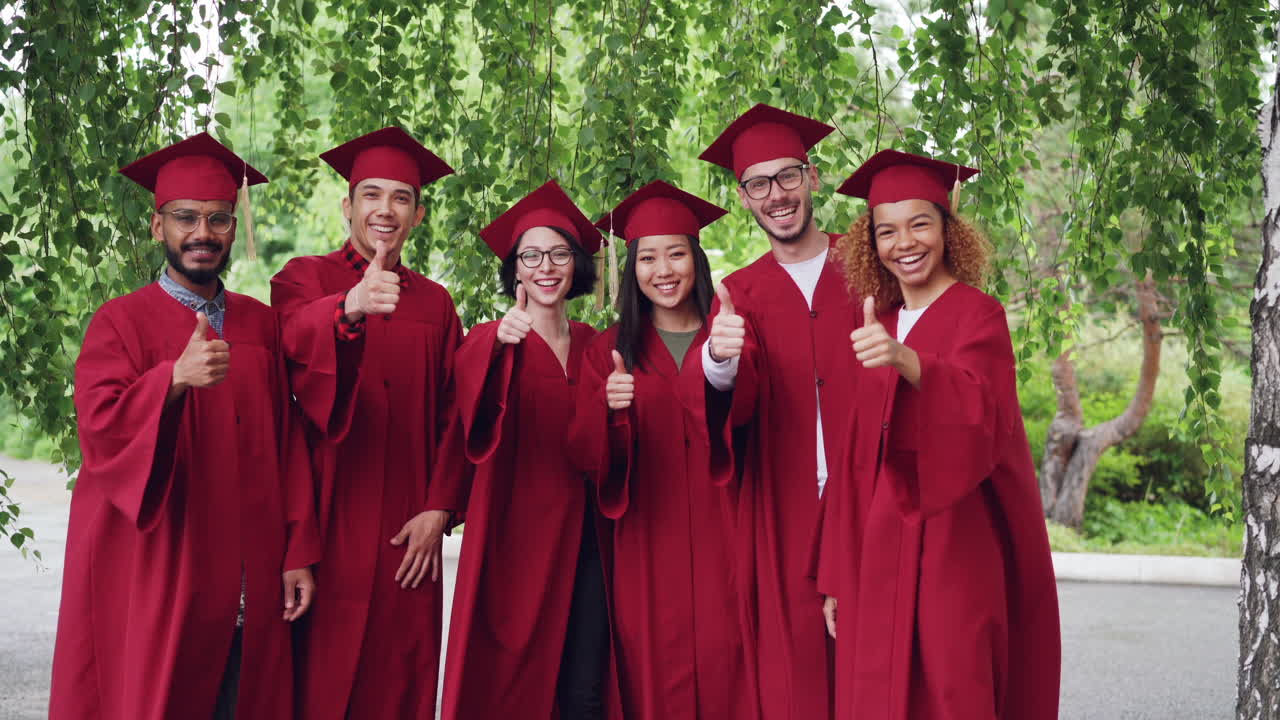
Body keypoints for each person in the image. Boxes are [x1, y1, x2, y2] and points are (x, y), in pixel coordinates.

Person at [50, 133, 321, 720]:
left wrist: (298, 552)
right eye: (186, 218)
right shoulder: (120, 322)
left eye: (219, 218)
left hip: (251, 571)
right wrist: (171, 380)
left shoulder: (260, 323)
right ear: (158, 228)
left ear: (233, 228)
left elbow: (289, 444)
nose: (203, 232)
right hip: (165, 570)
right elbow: (101, 431)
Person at [815, 149, 1061, 719]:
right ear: (870, 244)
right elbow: (852, 462)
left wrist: (910, 362)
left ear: (948, 230)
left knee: (953, 687)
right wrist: (833, 577)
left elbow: (982, 415)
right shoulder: (877, 324)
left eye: (920, 223)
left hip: (956, 545)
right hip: (873, 550)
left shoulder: (978, 314)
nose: (905, 242)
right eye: (887, 231)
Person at [270, 126, 467, 720]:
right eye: (372, 194)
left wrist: (441, 508)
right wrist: (350, 306)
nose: (386, 209)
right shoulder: (304, 279)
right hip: (327, 522)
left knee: (398, 684)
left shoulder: (435, 304)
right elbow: (291, 349)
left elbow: (454, 416)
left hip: (409, 535)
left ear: (418, 213)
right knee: (317, 686)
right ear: (347, 205)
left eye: (401, 197)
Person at [697, 103, 860, 719]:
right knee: (794, 676)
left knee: (873, 667)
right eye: (758, 184)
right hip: (784, 511)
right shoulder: (740, 293)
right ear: (743, 198)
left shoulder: (870, 265)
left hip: (868, 501)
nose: (777, 195)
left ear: (812, 177)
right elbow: (733, 405)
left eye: (787, 177)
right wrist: (719, 358)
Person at [566, 180, 749, 719]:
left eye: (676, 254)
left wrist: (724, 364)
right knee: (653, 677)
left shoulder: (730, 336)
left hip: (727, 539)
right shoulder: (608, 352)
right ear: (631, 268)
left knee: (729, 669)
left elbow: (758, 424)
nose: (663, 271)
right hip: (645, 542)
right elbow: (584, 455)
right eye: (647, 257)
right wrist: (605, 410)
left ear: (696, 259)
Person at [440, 180, 618, 720]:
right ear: (515, 268)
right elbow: (465, 413)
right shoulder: (490, 341)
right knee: (514, 687)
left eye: (559, 253)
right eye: (531, 255)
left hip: (589, 539)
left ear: (577, 265)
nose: (546, 266)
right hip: (515, 543)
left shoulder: (597, 345)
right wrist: (499, 343)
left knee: (584, 687)